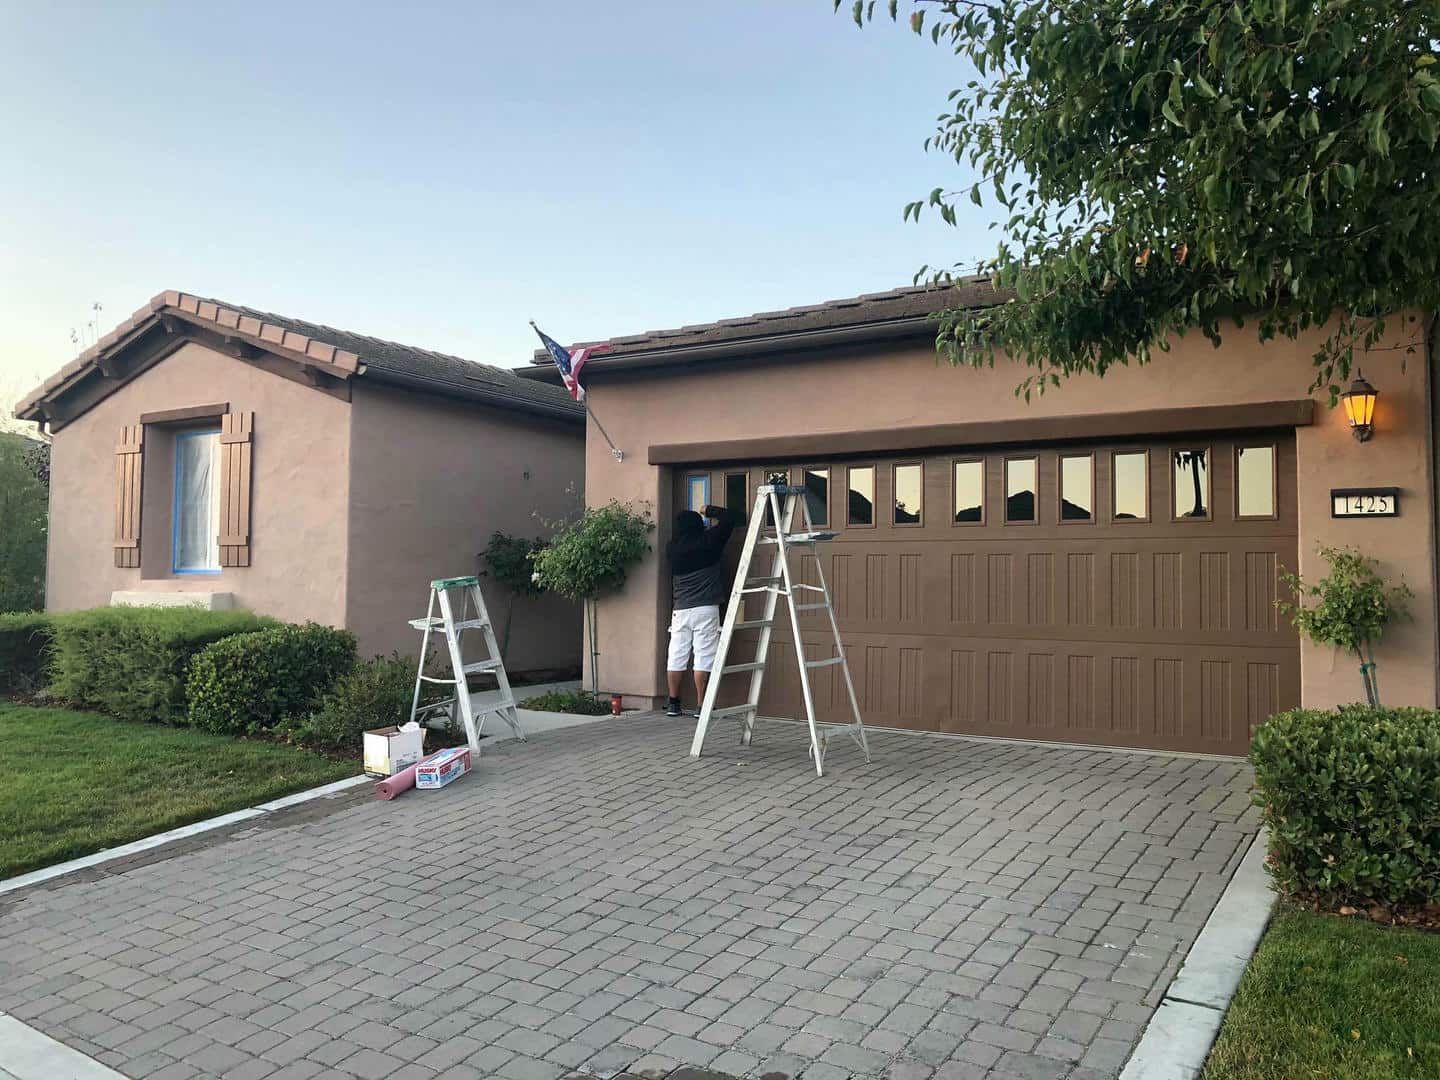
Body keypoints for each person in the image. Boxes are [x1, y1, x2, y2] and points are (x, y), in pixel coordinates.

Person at [664, 503, 739, 716]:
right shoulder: (709, 541)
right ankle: (701, 705)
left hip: (680, 610)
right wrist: (709, 510)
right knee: (703, 656)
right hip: (706, 609)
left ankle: (673, 703)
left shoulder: (673, 549)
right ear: (699, 525)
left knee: (676, 655)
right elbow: (731, 517)